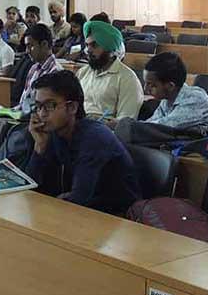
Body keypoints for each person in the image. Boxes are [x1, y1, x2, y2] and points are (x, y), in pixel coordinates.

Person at [25, 70, 142, 214]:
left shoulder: (95, 138)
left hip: (119, 219)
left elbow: (79, 199)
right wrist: (40, 146)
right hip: (88, 211)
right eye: (38, 106)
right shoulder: (55, 132)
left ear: (72, 107)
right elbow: (31, 187)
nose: (42, 113)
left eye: (50, 105)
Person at [143, 52, 208, 137]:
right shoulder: (167, 100)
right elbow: (150, 124)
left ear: (170, 86)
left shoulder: (195, 99)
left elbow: (161, 127)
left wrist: (133, 127)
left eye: (152, 85)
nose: (145, 89)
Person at [75, 20, 142, 120]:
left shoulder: (127, 79)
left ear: (110, 50)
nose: (88, 50)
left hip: (103, 131)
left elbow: (125, 122)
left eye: (94, 45)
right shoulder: (83, 72)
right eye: (87, 45)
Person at [18, 24, 62, 115]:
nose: (27, 51)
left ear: (44, 44)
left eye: (30, 46)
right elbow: (24, 99)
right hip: (24, 114)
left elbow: (48, 108)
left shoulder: (56, 72)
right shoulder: (33, 68)